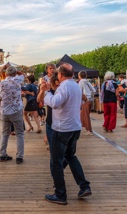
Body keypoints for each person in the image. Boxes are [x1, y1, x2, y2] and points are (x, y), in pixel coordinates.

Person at [42, 62, 91, 205]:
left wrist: (45, 93)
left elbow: (55, 103)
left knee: (56, 162)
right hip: (75, 127)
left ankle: (60, 194)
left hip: (62, 128)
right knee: (70, 156)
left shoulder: (64, 86)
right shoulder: (75, 85)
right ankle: (84, 186)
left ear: (60, 74)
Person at [0, 66, 25, 164]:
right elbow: (23, 74)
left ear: (6, 74)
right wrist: (17, 71)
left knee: (5, 133)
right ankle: (19, 156)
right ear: (14, 73)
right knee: (20, 133)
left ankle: (2, 154)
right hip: (15, 110)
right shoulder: (18, 80)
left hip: (4, 111)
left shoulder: (1, 83)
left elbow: (0, 96)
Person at [78, 70, 96, 135]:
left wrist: (85, 95)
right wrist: (89, 94)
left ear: (79, 76)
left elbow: (79, 92)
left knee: (86, 116)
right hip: (90, 99)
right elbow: (94, 90)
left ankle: (89, 130)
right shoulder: (88, 82)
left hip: (85, 100)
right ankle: (87, 129)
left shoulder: (81, 82)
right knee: (86, 115)